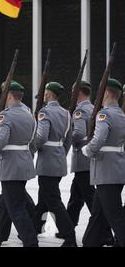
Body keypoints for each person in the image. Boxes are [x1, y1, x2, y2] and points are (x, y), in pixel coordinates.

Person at [0, 81, 38, 247]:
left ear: (8, 95)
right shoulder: (28, 113)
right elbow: (33, 139)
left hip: (10, 165)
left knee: (16, 208)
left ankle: (31, 242)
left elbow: (1, 140)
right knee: (6, 202)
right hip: (23, 162)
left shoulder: (6, 115)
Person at [31, 82, 77, 247]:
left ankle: (69, 235)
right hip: (57, 161)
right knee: (44, 198)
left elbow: (41, 137)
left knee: (53, 201)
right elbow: (69, 139)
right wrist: (61, 153)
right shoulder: (66, 113)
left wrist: (31, 150)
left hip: (47, 163)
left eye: (45, 93)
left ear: (49, 94)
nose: (43, 96)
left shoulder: (45, 112)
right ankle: (35, 229)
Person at [82, 78, 125, 247]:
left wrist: (88, 150)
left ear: (106, 93)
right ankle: (90, 242)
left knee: (115, 214)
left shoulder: (104, 114)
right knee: (98, 213)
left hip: (106, 170)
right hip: (117, 169)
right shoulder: (121, 114)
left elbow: (99, 139)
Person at [66, 81, 96, 229]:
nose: (72, 95)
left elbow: (78, 133)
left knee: (90, 197)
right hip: (89, 157)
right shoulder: (93, 108)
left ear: (79, 93)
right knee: (75, 196)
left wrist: (66, 138)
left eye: (73, 92)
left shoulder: (80, 111)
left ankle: (103, 229)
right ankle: (68, 227)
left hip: (82, 158)